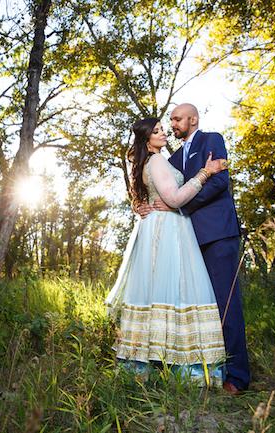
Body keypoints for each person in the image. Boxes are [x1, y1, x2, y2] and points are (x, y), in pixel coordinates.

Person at [105, 117, 228, 386]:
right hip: (169, 228)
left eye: (163, 128)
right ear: (146, 138)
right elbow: (173, 199)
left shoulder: (152, 161)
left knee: (157, 292)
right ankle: (184, 367)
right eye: (157, 130)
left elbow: (148, 194)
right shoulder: (157, 160)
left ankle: (148, 363)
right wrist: (204, 173)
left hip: (157, 228)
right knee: (179, 289)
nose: (163, 133)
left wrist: (140, 204)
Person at [139, 103, 250, 395]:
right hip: (185, 242)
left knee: (226, 305)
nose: (172, 124)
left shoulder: (212, 140)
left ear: (193, 119)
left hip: (217, 234)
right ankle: (207, 367)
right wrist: (145, 205)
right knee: (201, 308)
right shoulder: (172, 157)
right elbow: (165, 188)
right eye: (171, 121)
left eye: (177, 119)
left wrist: (180, 205)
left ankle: (238, 377)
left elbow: (218, 183)